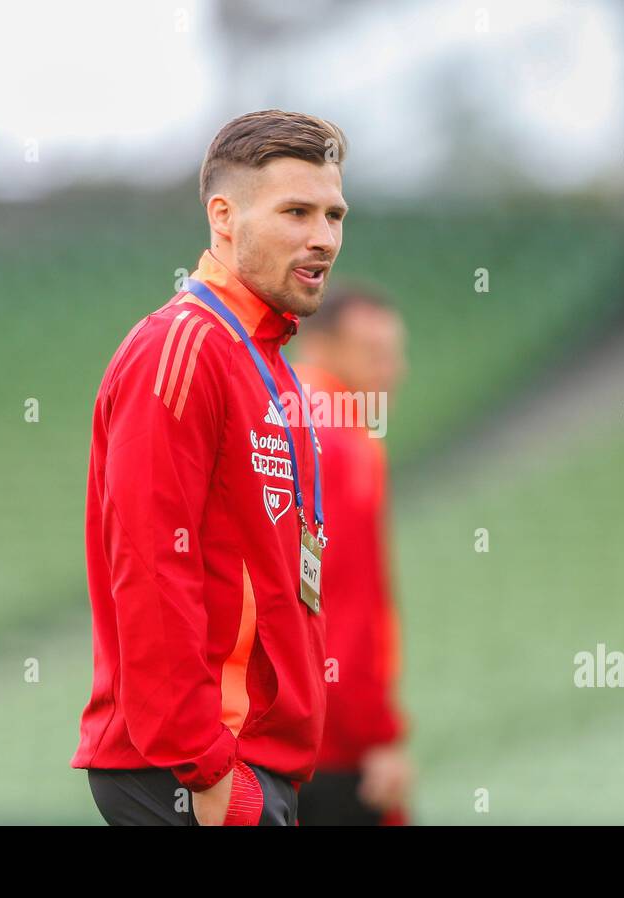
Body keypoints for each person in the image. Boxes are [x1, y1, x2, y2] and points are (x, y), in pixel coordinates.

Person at [73, 110, 348, 826]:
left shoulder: (270, 366)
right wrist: (204, 765)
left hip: (248, 760)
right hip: (195, 766)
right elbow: (150, 561)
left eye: (334, 214)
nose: (323, 237)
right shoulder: (184, 347)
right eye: (296, 211)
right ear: (223, 218)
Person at [291, 284, 412, 826]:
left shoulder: (273, 420)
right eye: (376, 353)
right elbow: (342, 600)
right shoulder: (342, 443)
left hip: (269, 730)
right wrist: (377, 734)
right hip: (333, 741)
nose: (394, 371)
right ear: (321, 345)